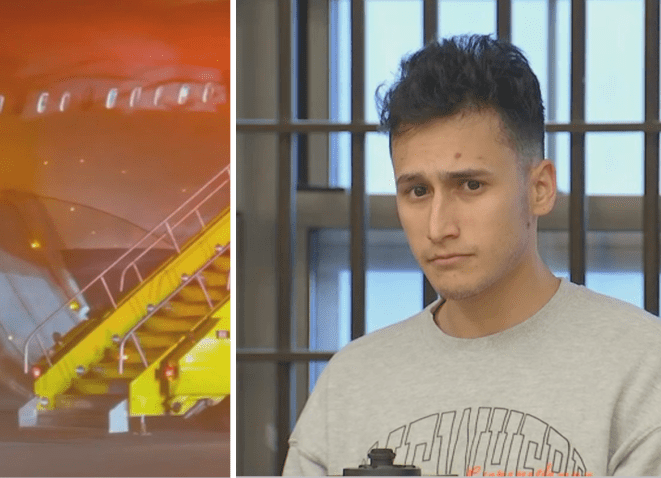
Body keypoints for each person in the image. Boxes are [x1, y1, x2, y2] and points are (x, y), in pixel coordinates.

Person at [282, 34, 661, 477]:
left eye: (470, 185)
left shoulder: (640, 366)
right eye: (417, 191)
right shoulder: (351, 382)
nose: (439, 226)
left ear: (539, 188)